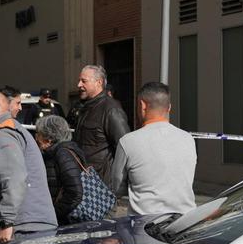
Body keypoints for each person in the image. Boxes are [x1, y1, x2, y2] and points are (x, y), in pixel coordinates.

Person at [0, 92, 57, 244]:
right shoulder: (15, 130)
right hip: (32, 224)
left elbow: (14, 178)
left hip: (23, 228)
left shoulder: (3, 134)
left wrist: (7, 221)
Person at [110, 82, 197, 217]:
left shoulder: (128, 142)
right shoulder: (188, 139)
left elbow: (117, 186)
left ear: (142, 106)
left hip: (144, 225)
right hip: (185, 222)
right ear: (169, 108)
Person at [72, 64, 130, 181]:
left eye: (84, 81)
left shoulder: (111, 109)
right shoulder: (85, 108)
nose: (79, 85)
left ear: (99, 82)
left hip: (101, 185)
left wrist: (119, 186)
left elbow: (125, 148)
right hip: (84, 181)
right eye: (79, 81)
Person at [34, 114, 87, 225]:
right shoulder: (54, 153)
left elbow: (75, 193)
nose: (36, 137)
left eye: (38, 134)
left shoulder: (62, 153)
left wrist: (54, 213)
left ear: (49, 138)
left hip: (66, 221)